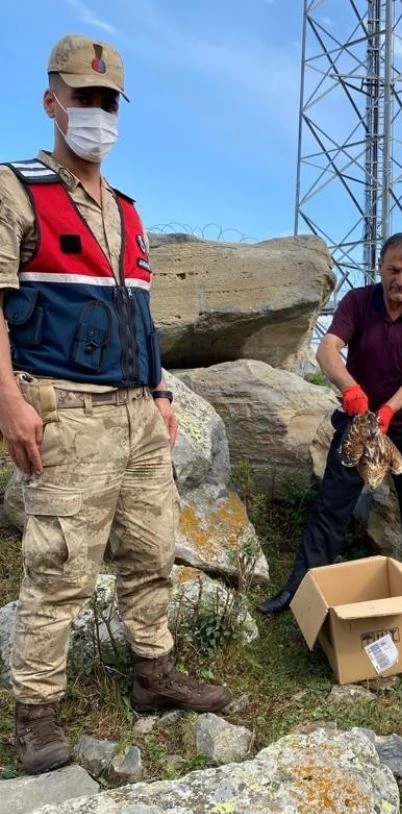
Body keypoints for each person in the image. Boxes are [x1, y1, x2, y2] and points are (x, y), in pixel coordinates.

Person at [0, 35, 232, 776]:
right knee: (61, 565)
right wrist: (8, 399)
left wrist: (161, 393)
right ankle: (35, 712)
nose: (95, 112)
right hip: (66, 410)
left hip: (138, 413)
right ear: (52, 102)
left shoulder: (128, 212)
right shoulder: (18, 189)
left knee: (151, 549)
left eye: (106, 101)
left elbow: (140, 315)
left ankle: (153, 673)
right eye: (82, 98)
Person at [258, 232, 402, 618]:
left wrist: (389, 411)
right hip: (358, 422)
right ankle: (299, 592)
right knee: (331, 505)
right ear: (379, 267)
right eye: (393, 270)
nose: (400, 280)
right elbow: (327, 349)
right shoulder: (359, 302)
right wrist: (351, 390)